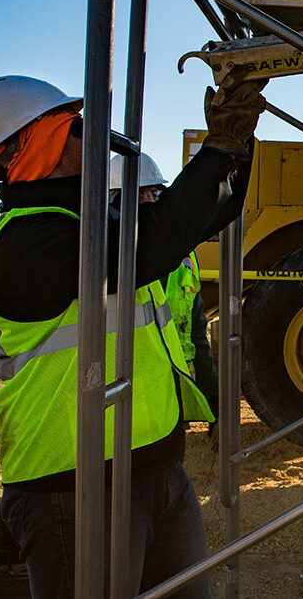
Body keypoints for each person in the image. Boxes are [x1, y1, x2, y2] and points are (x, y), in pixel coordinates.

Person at [0, 69, 266, 598]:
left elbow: (203, 218)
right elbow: (149, 245)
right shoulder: (23, 245)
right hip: (73, 488)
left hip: (155, 468)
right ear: (25, 147)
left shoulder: (87, 219)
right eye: (72, 126)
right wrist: (219, 145)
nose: (88, 135)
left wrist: (237, 144)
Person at [110, 153, 219, 418]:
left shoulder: (184, 260)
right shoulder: (104, 259)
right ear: (114, 202)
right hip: (121, 404)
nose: (150, 202)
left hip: (170, 400)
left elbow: (195, 336)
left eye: (155, 194)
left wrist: (215, 401)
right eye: (139, 195)